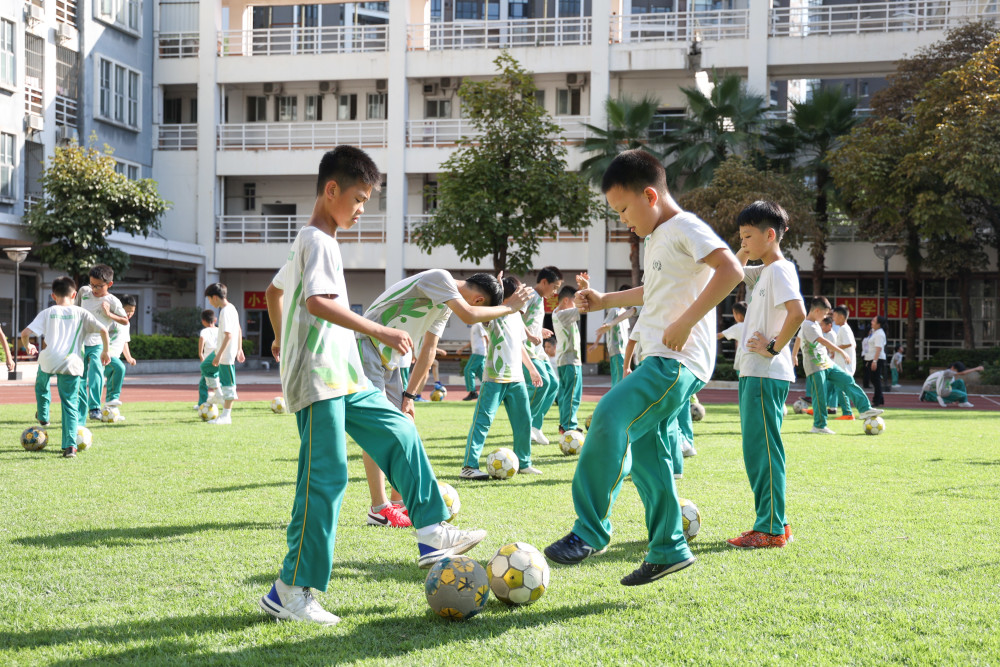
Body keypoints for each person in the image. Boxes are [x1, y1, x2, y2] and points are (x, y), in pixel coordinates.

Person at [259, 146, 486, 627]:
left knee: (400, 432)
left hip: (346, 375)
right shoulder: (317, 240)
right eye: (359, 199)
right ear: (331, 190)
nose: (362, 209)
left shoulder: (317, 242)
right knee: (326, 479)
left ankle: (430, 533)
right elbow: (318, 304)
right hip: (318, 378)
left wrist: (281, 336)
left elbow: (277, 291)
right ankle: (291, 590)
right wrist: (377, 329)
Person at [544, 149, 742, 585]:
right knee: (650, 457)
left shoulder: (684, 226)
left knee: (610, 415)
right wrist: (604, 301)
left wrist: (686, 321)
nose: (623, 221)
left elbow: (731, 270)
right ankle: (669, 548)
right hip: (660, 356)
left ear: (650, 195)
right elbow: (654, 291)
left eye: (623, 210)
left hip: (675, 359)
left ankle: (590, 530)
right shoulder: (658, 238)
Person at [357, 269, 530, 526]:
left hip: (390, 360)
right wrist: (509, 308)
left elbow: (428, 350)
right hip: (368, 344)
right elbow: (469, 315)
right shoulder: (440, 278)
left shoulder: (443, 307)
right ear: (479, 300)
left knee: (404, 426)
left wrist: (410, 396)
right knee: (380, 428)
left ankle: (397, 503)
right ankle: (378, 508)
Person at [727, 201, 805, 549]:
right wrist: (743, 250)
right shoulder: (766, 272)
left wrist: (773, 348)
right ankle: (777, 522)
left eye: (747, 236)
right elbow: (731, 272)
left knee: (763, 451)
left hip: (764, 373)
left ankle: (770, 529)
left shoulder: (780, 270)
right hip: (755, 373)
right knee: (759, 449)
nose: (742, 243)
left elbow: (798, 312)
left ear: (770, 235)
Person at [460, 275, 543, 479]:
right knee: (483, 422)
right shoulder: (493, 314)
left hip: (516, 379)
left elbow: (519, 345)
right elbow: (484, 315)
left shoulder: (516, 316)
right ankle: (469, 467)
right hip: (494, 379)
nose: (524, 297)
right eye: (520, 292)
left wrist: (532, 369)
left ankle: (524, 463)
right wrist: (495, 291)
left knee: (523, 421)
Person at [22, 276, 111, 458]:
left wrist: (28, 345)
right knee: (70, 404)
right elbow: (104, 330)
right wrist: (106, 352)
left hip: (49, 358)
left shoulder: (48, 312)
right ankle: (70, 447)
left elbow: (25, 333)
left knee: (41, 384)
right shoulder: (81, 313)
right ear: (74, 294)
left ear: (53, 295)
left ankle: (44, 415)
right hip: (71, 362)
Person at [799, 296, 884, 435]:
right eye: (825, 313)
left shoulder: (815, 324)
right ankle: (819, 426)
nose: (827, 317)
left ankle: (864, 409)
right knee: (820, 396)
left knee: (847, 380)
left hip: (827, 362)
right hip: (815, 366)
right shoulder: (807, 324)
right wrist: (841, 351)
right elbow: (820, 340)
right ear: (817, 310)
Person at [75, 264, 130, 423]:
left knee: (96, 372)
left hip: (99, 341)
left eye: (98, 286)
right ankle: (80, 411)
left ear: (109, 284)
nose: (94, 288)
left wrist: (108, 314)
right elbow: (76, 309)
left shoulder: (112, 300)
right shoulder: (84, 292)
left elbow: (125, 320)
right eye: (92, 284)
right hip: (80, 341)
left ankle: (94, 408)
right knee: (80, 376)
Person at [524, 266, 563, 445]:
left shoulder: (540, 299)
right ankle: (527, 425)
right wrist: (531, 335)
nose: (555, 292)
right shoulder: (530, 295)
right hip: (527, 349)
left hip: (538, 350)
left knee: (554, 384)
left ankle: (536, 427)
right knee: (543, 383)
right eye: (554, 287)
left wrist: (539, 330)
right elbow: (515, 318)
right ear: (544, 282)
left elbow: (529, 322)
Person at [202, 283, 242, 425]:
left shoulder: (226, 311)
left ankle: (226, 416)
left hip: (226, 354)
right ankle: (218, 395)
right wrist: (240, 348)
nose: (209, 302)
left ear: (214, 297)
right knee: (206, 366)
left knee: (228, 384)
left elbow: (229, 335)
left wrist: (219, 356)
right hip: (220, 350)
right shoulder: (230, 309)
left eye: (209, 299)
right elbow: (238, 328)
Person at [553, 279, 585, 433]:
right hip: (570, 361)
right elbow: (585, 307)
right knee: (573, 396)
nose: (575, 304)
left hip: (564, 360)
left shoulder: (557, 313)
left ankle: (564, 425)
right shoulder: (564, 314)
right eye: (574, 301)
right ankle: (569, 426)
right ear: (566, 300)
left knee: (566, 395)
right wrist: (585, 289)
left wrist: (580, 290)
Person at [590, 284, 634, 387]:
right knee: (619, 378)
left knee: (622, 377)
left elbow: (625, 332)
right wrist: (596, 343)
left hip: (624, 349)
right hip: (616, 348)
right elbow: (605, 326)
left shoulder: (625, 312)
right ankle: (616, 399)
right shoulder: (614, 310)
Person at [102, 294, 138, 412]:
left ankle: (110, 408)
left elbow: (124, 342)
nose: (129, 314)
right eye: (127, 311)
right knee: (120, 369)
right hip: (106, 355)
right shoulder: (111, 321)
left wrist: (129, 357)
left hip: (114, 356)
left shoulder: (126, 324)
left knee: (111, 379)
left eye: (132, 312)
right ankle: (113, 398)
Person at [831, 305, 858, 420]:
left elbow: (849, 344)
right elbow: (853, 344)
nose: (833, 318)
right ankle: (847, 412)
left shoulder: (843, 328)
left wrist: (836, 348)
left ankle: (848, 413)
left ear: (842, 317)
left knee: (841, 388)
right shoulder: (845, 328)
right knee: (839, 388)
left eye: (835, 316)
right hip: (843, 364)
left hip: (844, 366)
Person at [458, 322, 488, 401]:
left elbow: (486, 337)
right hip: (480, 352)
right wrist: (462, 349)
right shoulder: (474, 326)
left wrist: (490, 351)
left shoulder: (479, 325)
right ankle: (488, 390)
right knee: (481, 373)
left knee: (468, 370)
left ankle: (473, 392)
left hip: (479, 352)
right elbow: (472, 342)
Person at [717, 300, 747, 375]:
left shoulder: (738, 327)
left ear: (738, 315)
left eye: (734, 314)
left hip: (741, 365)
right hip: (752, 365)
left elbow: (719, 336)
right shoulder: (754, 326)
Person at [197, 309, 218, 407]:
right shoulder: (219, 330)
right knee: (217, 379)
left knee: (203, 383)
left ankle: (203, 403)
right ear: (215, 320)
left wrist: (201, 355)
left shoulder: (204, 331)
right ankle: (218, 397)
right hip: (219, 359)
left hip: (208, 360)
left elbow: (202, 339)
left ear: (203, 321)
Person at [865, 315, 887, 406]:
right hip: (872, 358)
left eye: (874, 321)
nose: (871, 322)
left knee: (875, 379)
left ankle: (877, 400)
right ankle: (880, 398)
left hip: (877, 358)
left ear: (879, 324)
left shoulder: (880, 334)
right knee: (874, 379)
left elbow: (879, 348)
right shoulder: (875, 332)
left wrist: (874, 361)